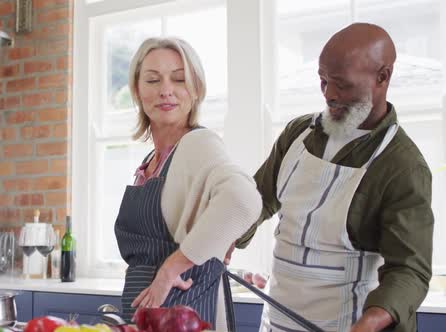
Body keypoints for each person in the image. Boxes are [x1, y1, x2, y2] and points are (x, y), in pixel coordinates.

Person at [233, 23, 434, 332]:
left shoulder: (402, 166)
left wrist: (369, 324)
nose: (329, 94)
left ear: (383, 77)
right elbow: (255, 201)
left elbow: (409, 270)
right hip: (276, 321)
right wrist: (221, 238)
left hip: (346, 323)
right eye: (323, 80)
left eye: (343, 85)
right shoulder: (297, 134)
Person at [113, 37, 262, 331]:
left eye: (179, 79)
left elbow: (244, 200)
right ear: (137, 91)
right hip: (146, 318)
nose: (165, 90)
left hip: (185, 316)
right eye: (153, 80)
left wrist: (170, 269)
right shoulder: (150, 162)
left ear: (196, 91)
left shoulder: (197, 144)